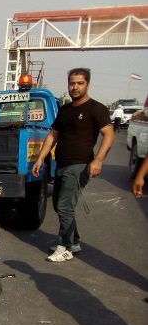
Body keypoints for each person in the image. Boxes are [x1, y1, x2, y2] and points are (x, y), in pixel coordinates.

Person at [32, 68, 114, 262]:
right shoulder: (65, 110)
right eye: (72, 83)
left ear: (87, 85)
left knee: (65, 206)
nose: (75, 87)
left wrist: (98, 160)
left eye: (79, 83)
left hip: (80, 165)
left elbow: (109, 134)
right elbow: (53, 135)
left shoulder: (96, 109)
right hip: (61, 164)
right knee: (60, 205)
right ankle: (74, 241)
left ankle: (66, 246)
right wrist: (40, 158)